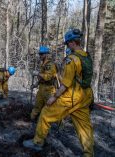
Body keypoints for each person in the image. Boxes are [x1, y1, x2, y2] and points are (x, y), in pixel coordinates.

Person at [23, 29, 94, 157]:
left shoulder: (71, 60)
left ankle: (38, 142)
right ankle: (89, 153)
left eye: (67, 43)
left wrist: (54, 97)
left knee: (45, 114)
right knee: (84, 127)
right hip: (84, 97)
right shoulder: (86, 56)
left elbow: (65, 84)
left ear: (72, 43)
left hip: (71, 97)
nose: (67, 46)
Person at [30, 46, 57, 120]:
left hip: (49, 89)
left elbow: (48, 77)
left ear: (46, 54)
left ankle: (58, 126)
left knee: (51, 108)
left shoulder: (50, 65)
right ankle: (32, 120)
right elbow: (42, 78)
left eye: (42, 54)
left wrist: (37, 73)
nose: (40, 56)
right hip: (41, 88)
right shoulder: (43, 64)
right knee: (37, 106)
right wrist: (35, 85)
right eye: (40, 54)